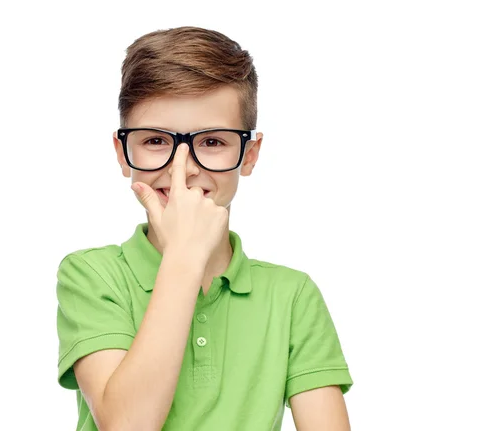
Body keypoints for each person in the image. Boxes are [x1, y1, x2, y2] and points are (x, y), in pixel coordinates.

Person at [55, 26, 353, 431]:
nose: (185, 168)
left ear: (249, 155)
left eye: (212, 142)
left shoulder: (292, 295)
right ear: (123, 154)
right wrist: (184, 256)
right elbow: (126, 425)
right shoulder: (91, 275)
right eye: (156, 141)